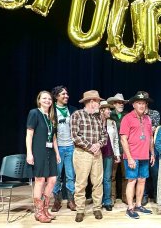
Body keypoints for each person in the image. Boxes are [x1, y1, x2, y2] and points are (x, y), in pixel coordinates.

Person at [71, 90, 108, 223]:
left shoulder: (100, 117)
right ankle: (80, 210)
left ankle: (97, 207)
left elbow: (105, 135)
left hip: (97, 154)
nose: (99, 103)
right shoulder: (77, 115)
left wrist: (98, 144)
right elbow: (75, 136)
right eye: (98, 101)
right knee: (81, 183)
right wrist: (90, 146)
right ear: (91, 102)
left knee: (97, 182)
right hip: (82, 154)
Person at [26, 90, 60, 223]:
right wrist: (29, 153)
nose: (47, 101)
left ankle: (46, 209)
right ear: (39, 100)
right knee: (40, 180)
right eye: (44, 98)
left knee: (52, 180)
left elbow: (54, 137)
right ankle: (38, 212)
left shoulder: (51, 115)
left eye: (50, 99)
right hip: (38, 150)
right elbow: (29, 134)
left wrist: (57, 153)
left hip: (50, 151)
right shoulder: (34, 113)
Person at [120, 91, 155, 219]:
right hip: (132, 156)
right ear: (134, 104)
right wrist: (129, 157)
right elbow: (123, 140)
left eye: (143, 103)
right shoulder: (127, 118)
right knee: (132, 180)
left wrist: (152, 153)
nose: (141, 105)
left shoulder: (148, 118)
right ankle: (130, 207)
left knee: (142, 180)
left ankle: (139, 204)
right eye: (139, 103)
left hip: (145, 155)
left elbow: (150, 137)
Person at [51, 85, 78, 213]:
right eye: (63, 94)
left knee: (70, 175)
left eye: (67, 94)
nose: (66, 96)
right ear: (56, 96)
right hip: (57, 148)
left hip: (70, 147)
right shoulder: (51, 110)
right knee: (56, 176)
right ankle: (57, 200)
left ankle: (71, 200)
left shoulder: (72, 110)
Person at [107, 93, 129, 205]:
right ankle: (112, 197)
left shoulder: (127, 115)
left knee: (126, 175)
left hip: (125, 149)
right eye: (119, 102)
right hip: (112, 150)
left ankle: (126, 197)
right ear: (114, 104)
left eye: (122, 103)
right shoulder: (109, 115)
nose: (121, 104)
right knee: (112, 175)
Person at [99, 100, 121, 211]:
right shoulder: (95, 121)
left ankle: (107, 201)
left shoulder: (112, 123)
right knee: (97, 179)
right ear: (101, 110)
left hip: (109, 153)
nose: (109, 111)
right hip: (97, 154)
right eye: (107, 109)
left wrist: (117, 154)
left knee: (107, 178)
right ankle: (97, 201)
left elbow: (116, 139)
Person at [143, 93, 160, 205]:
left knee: (155, 172)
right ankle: (143, 196)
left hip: (153, 146)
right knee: (143, 173)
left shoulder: (154, 113)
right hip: (140, 147)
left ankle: (156, 194)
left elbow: (155, 128)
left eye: (144, 101)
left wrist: (147, 130)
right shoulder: (134, 115)